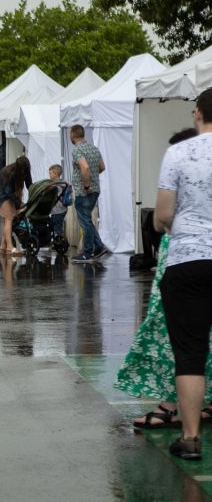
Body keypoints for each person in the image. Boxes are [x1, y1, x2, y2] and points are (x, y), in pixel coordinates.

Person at [114, 129, 212, 431]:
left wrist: (165, 223)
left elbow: (162, 216)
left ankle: (181, 421)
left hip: (185, 254)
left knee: (177, 340)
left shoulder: (180, 158)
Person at [155, 89, 212, 460]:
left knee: (190, 352)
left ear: (197, 114)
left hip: (189, 259)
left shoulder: (178, 153)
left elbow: (162, 214)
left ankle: (190, 439)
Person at [69, 124, 108, 263]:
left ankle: (87, 253)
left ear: (73, 135)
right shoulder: (94, 149)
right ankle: (99, 246)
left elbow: (84, 167)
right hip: (95, 190)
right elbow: (102, 167)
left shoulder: (77, 150)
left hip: (83, 191)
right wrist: (93, 179)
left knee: (84, 222)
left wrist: (86, 185)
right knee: (87, 220)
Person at [0, 156, 31, 255]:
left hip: (9, 194)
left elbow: (29, 184)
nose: (25, 173)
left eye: (26, 170)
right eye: (23, 171)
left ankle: (3, 246)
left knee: (8, 220)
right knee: (9, 219)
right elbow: (8, 192)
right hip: (1, 195)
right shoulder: (9, 172)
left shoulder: (26, 170)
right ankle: (10, 247)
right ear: (19, 167)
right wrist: (19, 203)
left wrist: (35, 192)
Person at [48, 164, 72, 237]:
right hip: (62, 209)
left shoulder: (56, 185)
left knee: (58, 228)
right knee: (55, 226)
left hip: (57, 210)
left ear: (55, 174)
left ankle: (61, 243)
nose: (49, 175)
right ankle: (58, 242)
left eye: (50, 173)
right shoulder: (63, 183)